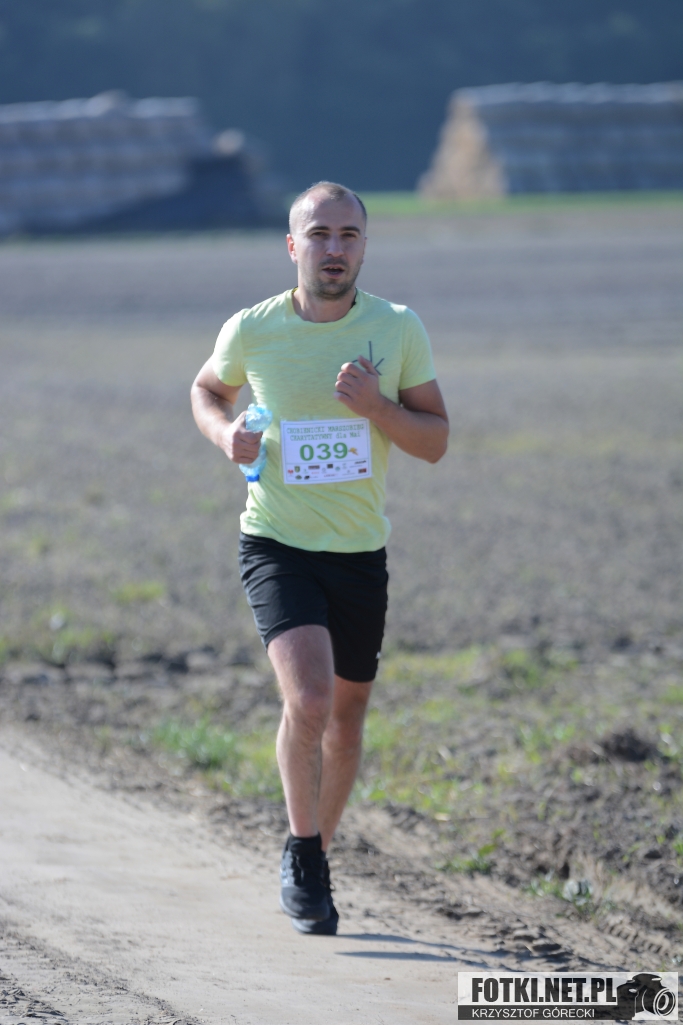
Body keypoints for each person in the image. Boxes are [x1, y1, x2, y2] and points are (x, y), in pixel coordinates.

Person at [190, 181, 448, 935]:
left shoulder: (397, 328)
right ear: (292, 245)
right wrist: (225, 435)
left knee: (347, 715)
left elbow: (434, 441)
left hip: (358, 552)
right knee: (308, 699)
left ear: (363, 246)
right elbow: (206, 389)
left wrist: (377, 408)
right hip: (276, 541)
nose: (334, 249)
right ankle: (303, 852)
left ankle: (314, 853)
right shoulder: (254, 327)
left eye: (348, 235)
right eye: (319, 234)